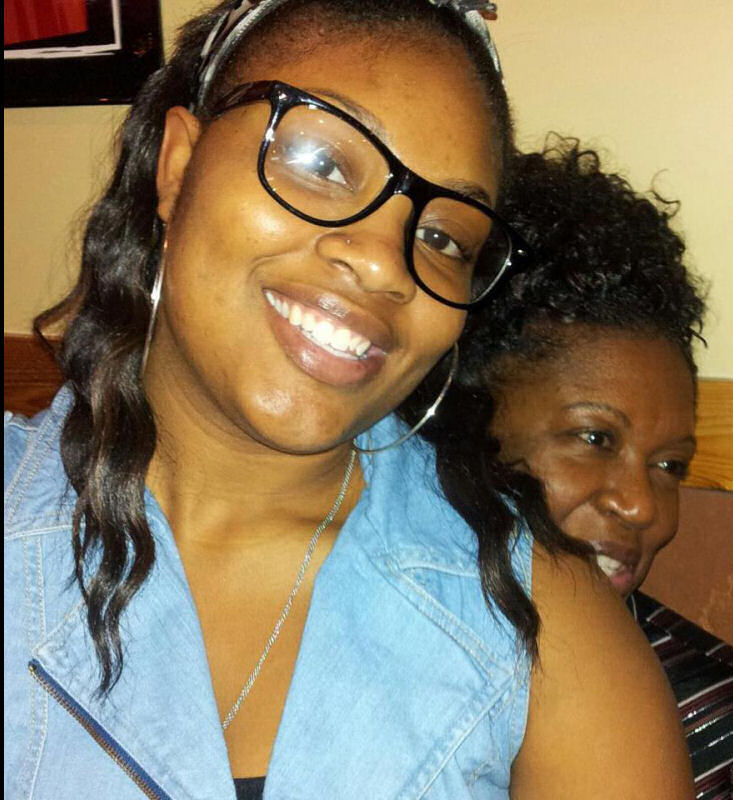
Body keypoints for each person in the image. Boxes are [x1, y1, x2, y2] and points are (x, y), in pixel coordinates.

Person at [4, 2, 693, 798]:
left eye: (442, 237)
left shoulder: (547, 626)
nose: (384, 264)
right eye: (324, 164)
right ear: (178, 166)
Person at [479, 140, 733, 799]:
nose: (643, 506)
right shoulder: (350, 640)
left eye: (669, 465)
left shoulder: (723, 728)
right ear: (468, 425)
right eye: (595, 438)